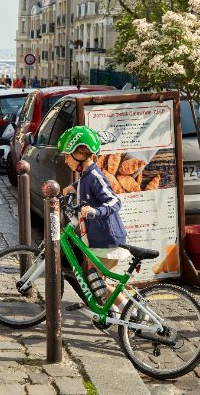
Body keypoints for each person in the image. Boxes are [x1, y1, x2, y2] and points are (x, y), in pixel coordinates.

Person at [58, 126, 130, 314]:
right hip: (98, 239)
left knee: (97, 282)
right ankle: (111, 313)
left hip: (107, 240)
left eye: (67, 156)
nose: (65, 160)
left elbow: (114, 201)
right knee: (98, 282)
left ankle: (134, 314)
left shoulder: (96, 176)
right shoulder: (85, 175)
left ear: (80, 154)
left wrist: (95, 211)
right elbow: (85, 184)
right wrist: (73, 187)